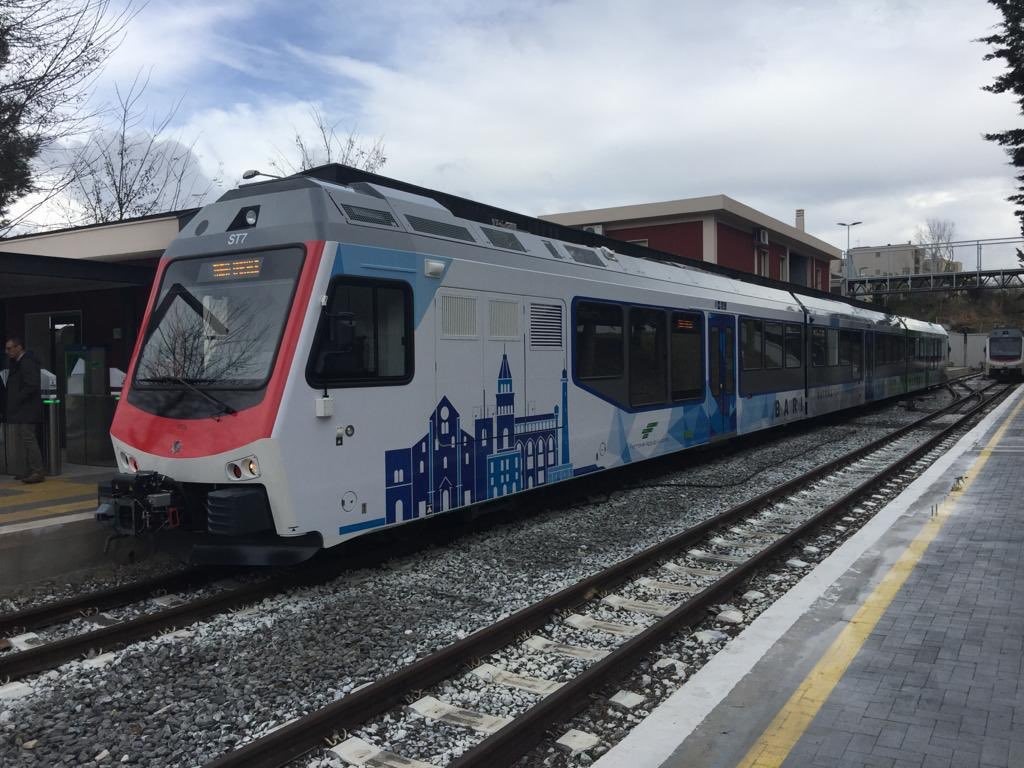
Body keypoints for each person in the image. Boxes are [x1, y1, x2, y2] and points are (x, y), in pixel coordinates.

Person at [4, 337, 44, 483]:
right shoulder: (18, 363)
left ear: (19, 347)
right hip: (23, 408)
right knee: (26, 439)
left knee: (29, 438)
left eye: (10, 348)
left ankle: (37, 471)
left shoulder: (27, 362)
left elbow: (32, 384)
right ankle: (30, 470)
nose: (7, 351)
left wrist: (17, 398)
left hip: (28, 408)